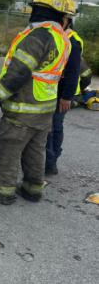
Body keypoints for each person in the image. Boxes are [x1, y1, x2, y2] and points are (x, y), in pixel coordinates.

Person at [0, 0, 74, 204]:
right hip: (44, 110)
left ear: (38, 10)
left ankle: (1, 192)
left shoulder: (37, 37)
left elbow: (18, 72)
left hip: (23, 108)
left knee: (9, 149)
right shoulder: (62, 38)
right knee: (35, 152)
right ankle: (32, 189)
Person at [45, 20, 82, 175]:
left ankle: (51, 163)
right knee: (51, 128)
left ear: (67, 23)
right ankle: (48, 161)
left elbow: (73, 71)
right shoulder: (58, 36)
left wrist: (67, 97)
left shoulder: (72, 41)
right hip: (51, 91)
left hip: (62, 93)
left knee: (54, 127)